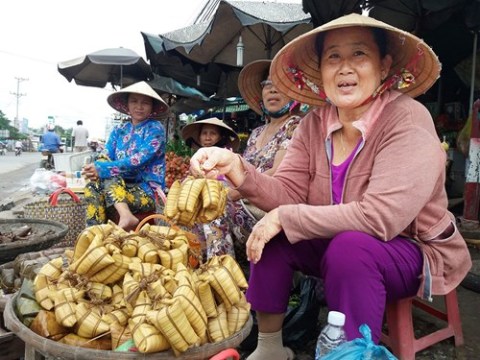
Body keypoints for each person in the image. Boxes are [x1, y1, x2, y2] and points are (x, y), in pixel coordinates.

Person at [190, 14, 472, 360]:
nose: (345, 68)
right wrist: (239, 170)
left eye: (359, 55)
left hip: (410, 248)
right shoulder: (313, 123)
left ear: (383, 67)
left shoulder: (407, 119)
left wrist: (286, 217)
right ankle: (270, 348)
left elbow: (381, 218)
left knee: (349, 247)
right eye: (333, 57)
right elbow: (288, 194)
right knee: (269, 235)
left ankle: (351, 353)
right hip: (337, 240)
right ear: (320, 71)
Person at [227, 59, 303, 266]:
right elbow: (241, 168)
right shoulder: (256, 133)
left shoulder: (296, 126)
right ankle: (214, 271)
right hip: (243, 197)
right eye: (267, 86)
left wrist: (237, 191)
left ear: (294, 93)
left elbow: (279, 172)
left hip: (270, 205)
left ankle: (225, 277)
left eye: (280, 86)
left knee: (220, 210)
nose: (272, 91)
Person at [82, 81, 169, 231]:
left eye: (145, 103)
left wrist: (102, 168)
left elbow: (138, 160)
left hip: (146, 190)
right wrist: (95, 168)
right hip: (118, 186)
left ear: (152, 107)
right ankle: (95, 234)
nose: (139, 106)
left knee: (110, 172)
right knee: (92, 186)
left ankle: (125, 215)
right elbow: (106, 155)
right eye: (134, 101)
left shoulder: (155, 129)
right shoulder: (119, 129)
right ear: (127, 104)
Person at [181, 117, 240, 260]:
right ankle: (198, 257)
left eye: (212, 133)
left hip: (223, 200)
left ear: (220, 137)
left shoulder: (226, 155)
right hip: (202, 200)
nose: (207, 137)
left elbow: (228, 184)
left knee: (212, 215)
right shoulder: (198, 157)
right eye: (204, 133)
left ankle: (220, 261)